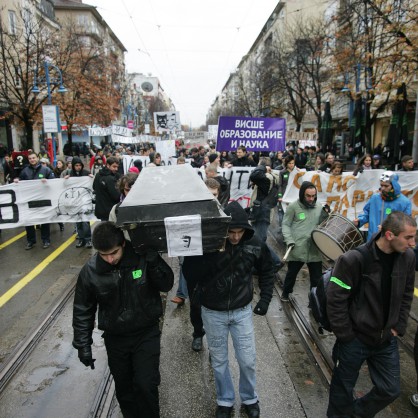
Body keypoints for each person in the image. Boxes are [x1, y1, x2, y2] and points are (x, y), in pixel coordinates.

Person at [72, 221, 174, 418]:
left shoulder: (142, 258)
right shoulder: (90, 271)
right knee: (125, 390)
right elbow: (83, 309)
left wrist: (154, 263)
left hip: (146, 333)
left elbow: (167, 284)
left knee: (145, 385)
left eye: (114, 253)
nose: (110, 259)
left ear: (123, 245)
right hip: (116, 338)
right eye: (104, 254)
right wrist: (83, 344)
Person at [183, 202, 274, 418]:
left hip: (241, 311)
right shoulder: (210, 243)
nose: (235, 237)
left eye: (239, 232)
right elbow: (189, 272)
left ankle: (250, 398)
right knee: (219, 360)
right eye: (231, 232)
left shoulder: (255, 243)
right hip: (213, 312)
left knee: (247, 359)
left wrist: (265, 300)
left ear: (246, 229)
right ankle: (224, 400)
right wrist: (207, 255)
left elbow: (268, 271)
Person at [326, 211, 416, 417]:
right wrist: (346, 336)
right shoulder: (354, 259)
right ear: (390, 235)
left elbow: (407, 294)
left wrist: (398, 327)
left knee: (390, 389)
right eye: (408, 237)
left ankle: (356, 414)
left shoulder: (408, 258)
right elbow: (335, 299)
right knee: (341, 392)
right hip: (354, 340)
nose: (413, 243)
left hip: (386, 339)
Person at [280, 181, 329, 301]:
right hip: (297, 246)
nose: (311, 199)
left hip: (314, 248)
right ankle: (286, 293)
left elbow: (324, 225)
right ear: (302, 194)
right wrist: (289, 240)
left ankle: (314, 300)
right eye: (308, 196)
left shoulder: (319, 207)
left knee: (316, 278)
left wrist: (326, 214)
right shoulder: (293, 207)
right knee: (291, 274)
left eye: (313, 196)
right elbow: (285, 225)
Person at [353, 171, 411, 241]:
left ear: (394, 185)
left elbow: (405, 224)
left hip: (392, 242)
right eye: (381, 185)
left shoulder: (405, 202)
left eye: (386, 186)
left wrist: (388, 229)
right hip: (373, 240)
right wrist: (359, 221)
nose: (383, 188)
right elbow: (367, 214)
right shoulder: (375, 198)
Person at [14, 151, 54, 249]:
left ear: (37, 158)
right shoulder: (24, 171)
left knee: (44, 221)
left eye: (33, 158)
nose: (32, 160)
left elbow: (54, 183)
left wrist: (47, 182)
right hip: (29, 200)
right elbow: (20, 182)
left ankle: (46, 240)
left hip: (43, 199)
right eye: (30, 158)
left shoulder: (46, 170)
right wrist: (17, 180)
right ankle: (31, 241)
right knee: (29, 221)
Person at [63, 157, 94, 248]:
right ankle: (81, 239)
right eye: (76, 165)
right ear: (73, 166)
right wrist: (65, 179)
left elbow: (92, 184)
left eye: (80, 165)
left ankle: (88, 240)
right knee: (78, 221)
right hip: (75, 201)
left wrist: (91, 177)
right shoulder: (70, 174)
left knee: (85, 221)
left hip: (84, 201)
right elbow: (64, 186)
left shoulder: (86, 173)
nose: (78, 167)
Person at [93, 156, 121, 221]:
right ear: (108, 165)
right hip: (109, 211)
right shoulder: (110, 178)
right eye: (114, 166)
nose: (116, 169)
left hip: (100, 209)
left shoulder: (98, 174)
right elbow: (116, 196)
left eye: (117, 167)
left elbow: (94, 187)